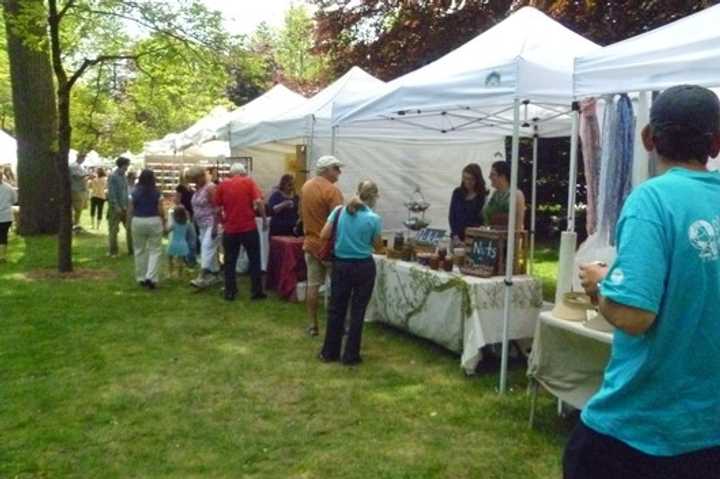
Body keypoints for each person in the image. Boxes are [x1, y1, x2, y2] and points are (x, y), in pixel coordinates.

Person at [565, 85, 720, 479]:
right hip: (708, 430)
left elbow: (634, 315)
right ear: (716, 144)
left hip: (641, 428)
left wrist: (601, 284)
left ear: (648, 138)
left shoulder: (652, 200)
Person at [319, 180, 382, 365]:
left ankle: (329, 352)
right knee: (358, 311)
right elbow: (377, 246)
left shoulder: (339, 211)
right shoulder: (373, 219)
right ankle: (351, 355)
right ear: (374, 197)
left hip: (341, 265)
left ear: (357, 192)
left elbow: (323, 235)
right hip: (363, 266)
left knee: (336, 309)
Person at [300, 155, 344, 336]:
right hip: (329, 247)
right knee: (337, 286)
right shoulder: (332, 191)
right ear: (326, 170)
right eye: (336, 168)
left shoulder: (305, 186)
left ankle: (312, 325)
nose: (339, 172)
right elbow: (340, 222)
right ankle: (337, 326)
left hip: (310, 243)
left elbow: (301, 213)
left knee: (313, 285)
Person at [213, 162, 267, 301]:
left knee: (230, 261)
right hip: (249, 227)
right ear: (243, 173)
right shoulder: (249, 182)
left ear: (231, 173)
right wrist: (264, 219)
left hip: (230, 229)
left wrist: (221, 222)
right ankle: (256, 291)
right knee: (255, 259)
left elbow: (217, 209)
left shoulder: (223, 185)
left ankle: (230, 291)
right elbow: (259, 202)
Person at [129, 169, 166, 289]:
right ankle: (151, 277)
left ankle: (141, 277)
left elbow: (131, 209)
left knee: (139, 250)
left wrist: (129, 222)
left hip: (138, 220)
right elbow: (160, 210)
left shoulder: (134, 192)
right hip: (153, 219)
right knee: (155, 250)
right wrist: (164, 220)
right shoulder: (157, 192)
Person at [188, 165, 222, 288]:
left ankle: (201, 277)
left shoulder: (211, 188)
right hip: (201, 225)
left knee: (206, 248)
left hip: (212, 224)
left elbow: (218, 208)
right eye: (192, 181)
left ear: (202, 176)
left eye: (195, 180)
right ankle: (216, 274)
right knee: (209, 250)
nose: (194, 183)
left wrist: (215, 227)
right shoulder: (199, 189)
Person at [449, 163, 488, 243]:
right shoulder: (457, 193)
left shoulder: (482, 196)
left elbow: (482, 220)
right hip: (457, 238)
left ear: (477, 179)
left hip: (474, 239)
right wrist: (456, 236)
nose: (468, 182)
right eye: (465, 178)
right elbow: (452, 216)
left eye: (471, 179)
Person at [483, 160, 526, 230]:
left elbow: (518, 226)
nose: (489, 177)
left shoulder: (516, 195)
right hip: (490, 237)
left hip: (507, 239)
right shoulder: (494, 195)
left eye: (492, 174)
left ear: (502, 176)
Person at [107, 157, 133, 257]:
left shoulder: (124, 177)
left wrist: (127, 206)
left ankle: (131, 250)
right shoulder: (113, 176)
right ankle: (113, 251)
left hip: (125, 207)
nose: (128, 167)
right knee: (113, 230)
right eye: (127, 165)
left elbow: (126, 192)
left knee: (129, 229)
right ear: (123, 165)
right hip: (116, 208)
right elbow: (112, 193)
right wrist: (116, 206)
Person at [175, 174, 197, 266]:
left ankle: (188, 258)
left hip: (191, 214)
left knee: (190, 238)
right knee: (189, 238)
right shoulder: (180, 188)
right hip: (184, 215)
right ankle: (186, 259)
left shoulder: (190, 188)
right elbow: (177, 201)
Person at [167, 205, 190, 278]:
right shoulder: (186, 223)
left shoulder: (174, 224)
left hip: (173, 243)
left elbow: (167, 230)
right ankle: (180, 275)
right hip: (183, 243)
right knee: (180, 261)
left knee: (170, 259)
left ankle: (170, 273)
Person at [0, 168, 18, 262]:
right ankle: (2, 256)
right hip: (6, 216)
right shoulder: (9, 188)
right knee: (3, 236)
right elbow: (15, 200)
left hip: (5, 216)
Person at [69, 152, 89, 231]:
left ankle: (76, 223)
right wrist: (87, 175)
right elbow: (76, 176)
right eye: (83, 158)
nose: (83, 160)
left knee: (79, 208)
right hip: (76, 189)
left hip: (80, 189)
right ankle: (75, 224)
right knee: (77, 208)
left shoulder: (79, 166)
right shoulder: (73, 166)